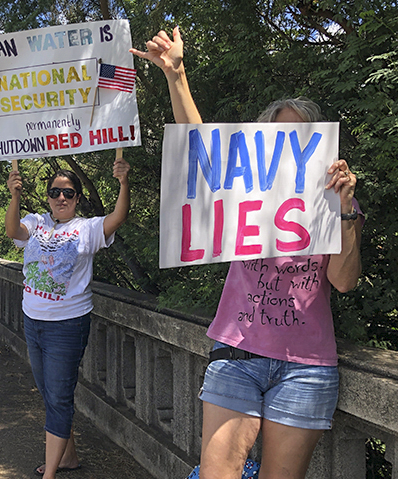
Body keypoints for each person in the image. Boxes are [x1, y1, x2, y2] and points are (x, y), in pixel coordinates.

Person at [131, 27, 363, 479]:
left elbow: (344, 281)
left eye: (299, 135)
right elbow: (202, 150)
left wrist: (348, 210)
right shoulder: (242, 191)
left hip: (306, 369)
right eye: (277, 134)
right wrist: (176, 76)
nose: (288, 144)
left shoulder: (337, 200)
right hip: (237, 357)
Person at [5, 160, 131, 479]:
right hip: (33, 320)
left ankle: (49, 474)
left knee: (59, 398)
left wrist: (123, 184)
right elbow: (12, 231)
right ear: (48, 196)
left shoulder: (86, 229)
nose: (61, 198)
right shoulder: (35, 222)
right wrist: (15, 196)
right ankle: (68, 456)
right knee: (49, 394)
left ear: (77, 199)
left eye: (68, 193)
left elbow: (117, 218)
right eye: (55, 192)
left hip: (68, 324)